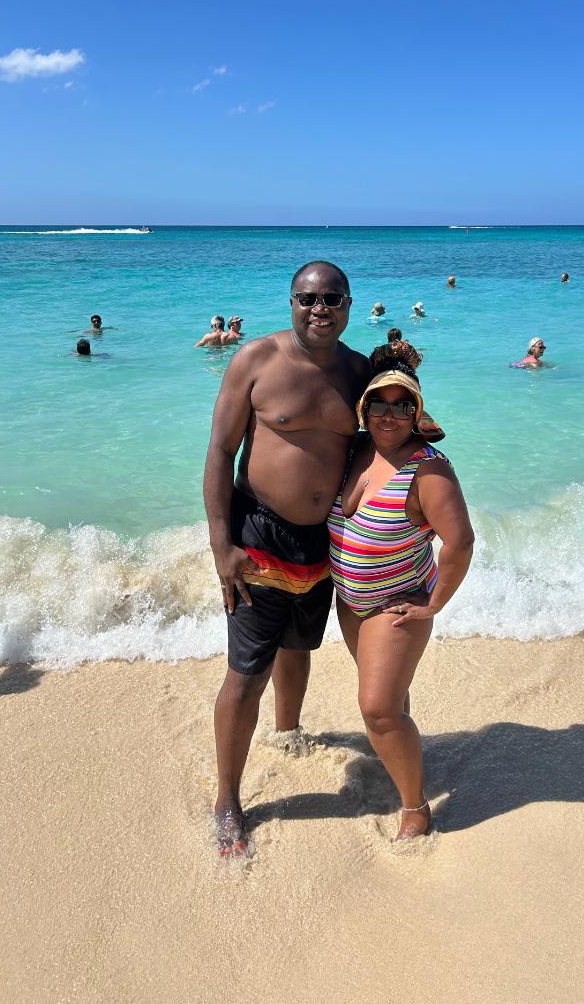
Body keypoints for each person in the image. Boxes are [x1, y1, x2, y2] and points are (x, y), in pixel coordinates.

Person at [203, 261, 369, 857]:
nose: (319, 308)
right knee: (247, 671)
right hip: (257, 537)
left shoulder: (358, 371)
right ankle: (228, 798)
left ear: (349, 305)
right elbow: (221, 452)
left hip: (325, 542)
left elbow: (392, 440)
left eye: (331, 298)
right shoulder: (256, 360)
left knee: (299, 648)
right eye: (308, 298)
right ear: (291, 303)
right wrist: (221, 544)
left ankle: (288, 732)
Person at [327, 344, 474, 840]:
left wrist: (434, 604)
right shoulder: (358, 450)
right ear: (364, 408)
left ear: (417, 411)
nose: (390, 414)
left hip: (397, 602)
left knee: (377, 708)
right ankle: (400, 750)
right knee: (391, 700)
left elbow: (461, 541)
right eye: (380, 404)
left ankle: (415, 807)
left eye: (402, 405)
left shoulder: (428, 470)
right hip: (350, 601)